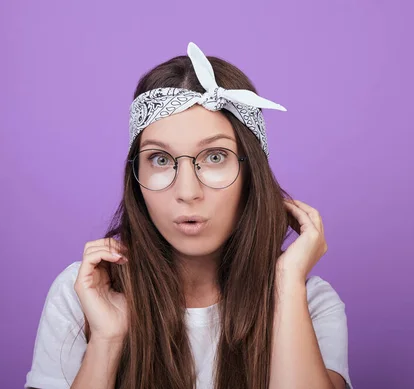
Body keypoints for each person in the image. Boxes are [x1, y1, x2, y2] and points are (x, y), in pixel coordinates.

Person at [25, 42, 352, 389]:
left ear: (251, 173)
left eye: (214, 157)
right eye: (161, 160)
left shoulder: (310, 303)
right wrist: (107, 339)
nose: (187, 192)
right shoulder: (85, 292)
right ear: (136, 177)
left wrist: (286, 283)